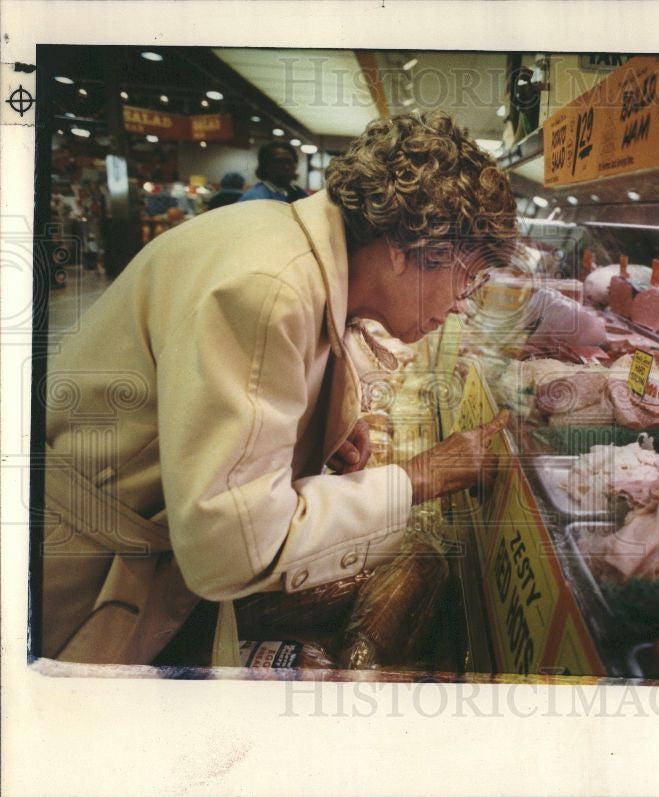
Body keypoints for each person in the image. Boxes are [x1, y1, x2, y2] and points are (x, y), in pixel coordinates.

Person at [41, 112, 517, 665]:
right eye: (468, 278)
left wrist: (316, 422)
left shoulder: (287, 241)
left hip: (138, 549)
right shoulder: (268, 289)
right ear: (406, 247)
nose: (463, 304)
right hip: (88, 582)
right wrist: (421, 476)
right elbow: (231, 551)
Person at [238, 141, 308, 203]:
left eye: (289, 162)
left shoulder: (299, 193)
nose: (286, 167)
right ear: (265, 165)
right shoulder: (253, 199)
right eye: (279, 162)